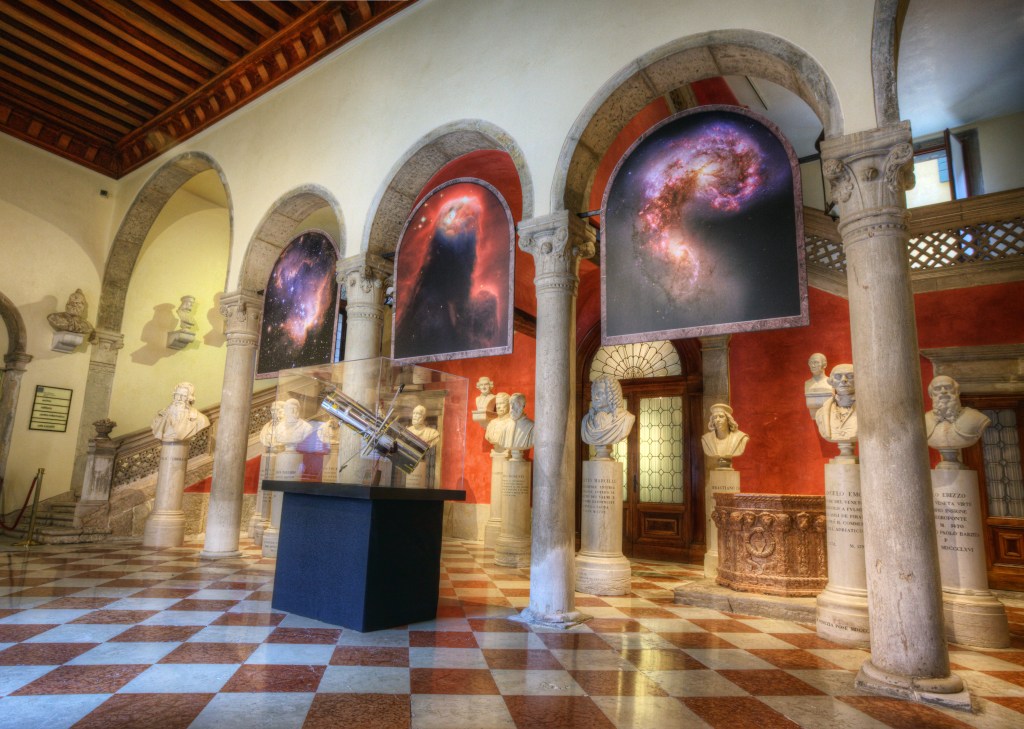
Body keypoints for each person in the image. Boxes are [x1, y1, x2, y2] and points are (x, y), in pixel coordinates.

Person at [925, 375, 990, 452]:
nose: (943, 391)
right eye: (937, 389)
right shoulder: (924, 420)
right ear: (931, 394)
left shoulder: (976, 418)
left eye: (948, 387)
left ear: (957, 391)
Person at [581, 375, 634, 447]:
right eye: (594, 393)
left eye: (600, 393)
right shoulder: (586, 420)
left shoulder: (627, 418)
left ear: (612, 394)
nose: (595, 397)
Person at [815, 364, 857, 442]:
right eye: (838, 376)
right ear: (831, 382)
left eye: (850, 376)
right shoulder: (820, 413)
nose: (843, 380)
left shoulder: (869, 411)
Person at [700, 403, 749, 467]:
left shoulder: (740, 438)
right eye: (715, 417)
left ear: (728, 419)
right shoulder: (706, 439)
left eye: (721, 416)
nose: (717, 420)